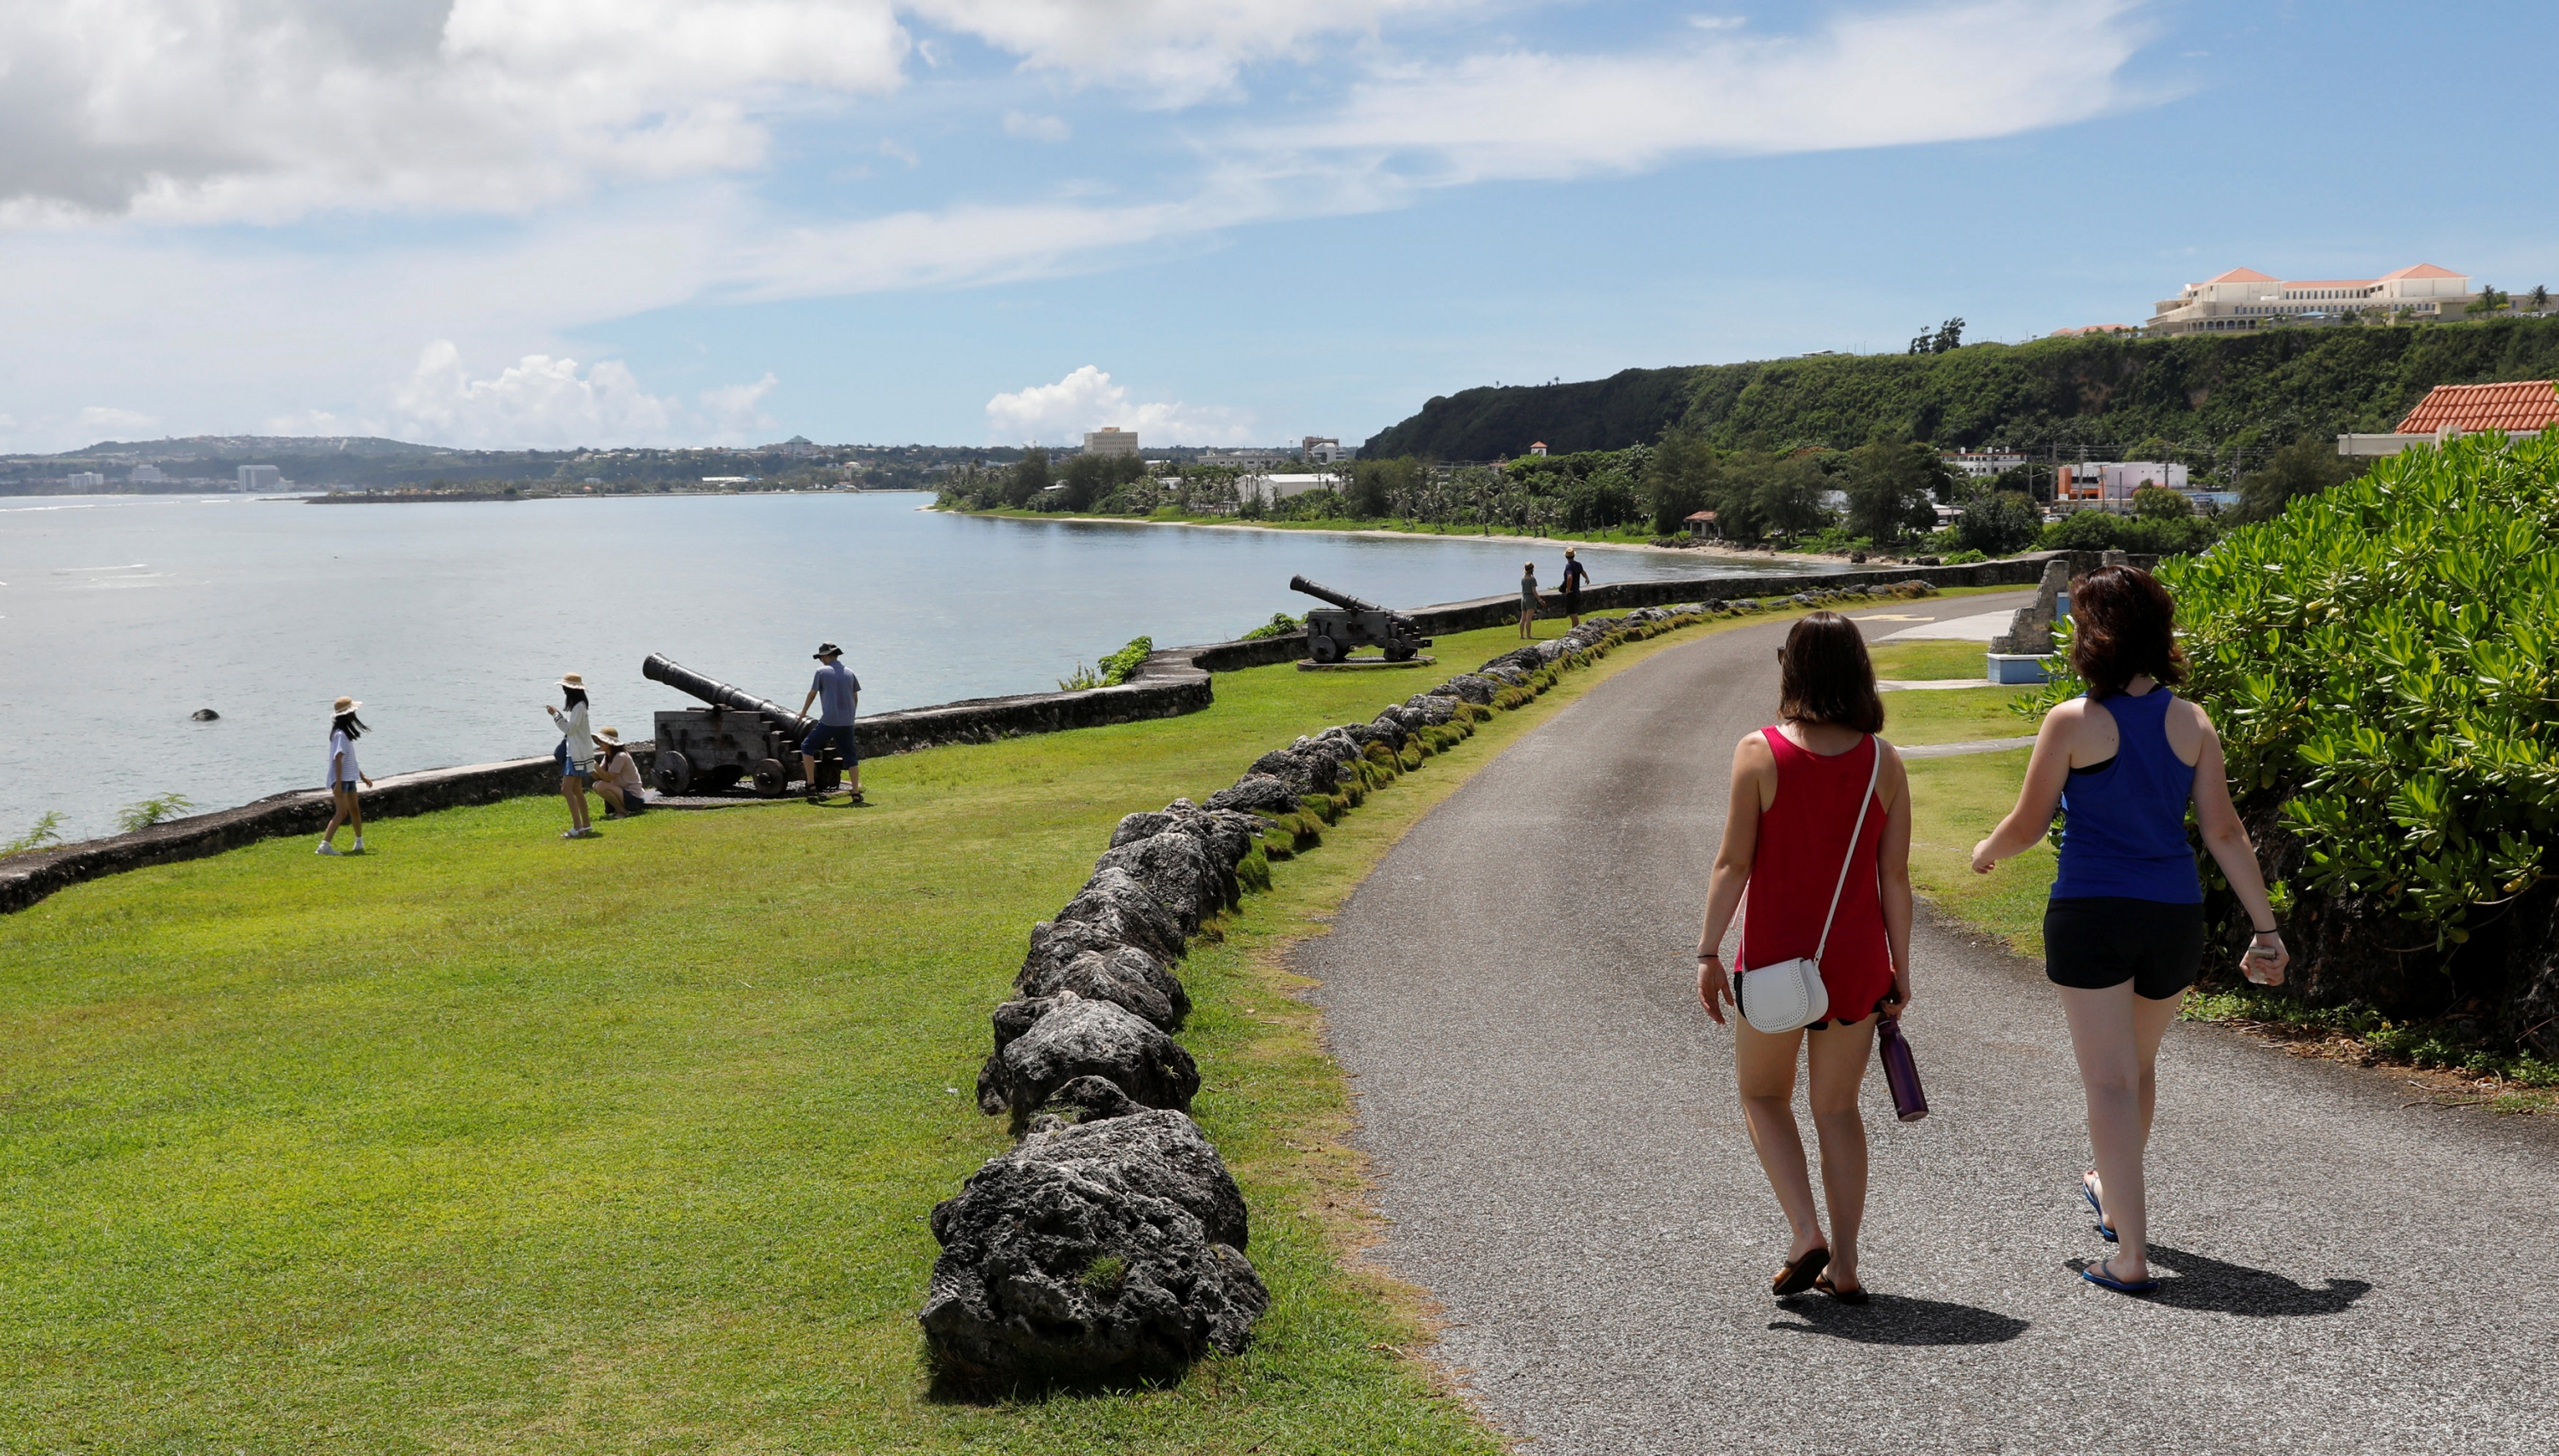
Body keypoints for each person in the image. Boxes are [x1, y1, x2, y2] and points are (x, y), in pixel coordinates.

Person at [1970, 566, 2289, 1296]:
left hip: (2092, 912)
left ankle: (2131, 1256)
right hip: (2173, 916)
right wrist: (2265, 927)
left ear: (2094, 635)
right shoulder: (2193, 721)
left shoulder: (2072, 720)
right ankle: (2112, 1199)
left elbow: (2028, 822)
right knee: (2135, 1069)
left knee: (2108, 1081)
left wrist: (1987, 851)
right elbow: (2226, 831)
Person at [1694, 612, 1913, 1303]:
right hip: (1853, 962)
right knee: (1838, 1109)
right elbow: (1895, 880)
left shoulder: (1757, 753)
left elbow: (1733, 864)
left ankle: (1803, 1231)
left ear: (1791, 667)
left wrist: (1706, 950)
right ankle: (1844, 1265)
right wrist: (1899, 971)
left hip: (1773, 962)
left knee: (1763, 1095)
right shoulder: (1884, 761)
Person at [798, 641, 865, 805]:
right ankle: (855, 793)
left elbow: (812, 694)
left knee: (807, 747)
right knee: (851, 757)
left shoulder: (821, 672)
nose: (821, 660)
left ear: (827, 656)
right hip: (847, 722)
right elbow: (855, 696)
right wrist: (851, 715)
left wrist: (803, 713)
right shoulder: (850, 672)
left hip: (829, 721)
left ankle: (811, 784)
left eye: (821, 657)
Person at [317, 696, 374, 856]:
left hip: (349, 778)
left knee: (354, 810)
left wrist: (362, 776)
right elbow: (338, 759)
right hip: (342, 780)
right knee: (342, 813)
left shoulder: (343, 734)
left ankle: (359, 842)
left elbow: (350, 760)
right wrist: (339, 784)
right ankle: (324, 846)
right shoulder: (340, 735)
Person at [546, 672, 597, 838]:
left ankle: (577, 827)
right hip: (580, 752)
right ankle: (586, 824)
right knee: (576, 789)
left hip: (576, 754)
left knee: (566, 789)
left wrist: (556, 715)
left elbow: (570, 729)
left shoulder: (579, 707)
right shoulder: (581, 706)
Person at [590, 727, 645, 819]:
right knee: (596, 784)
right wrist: (589, 766)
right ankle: (619, 810)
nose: (599, 743)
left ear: (609, 743)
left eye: (602, 741)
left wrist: (595, 765)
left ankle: (622, 811)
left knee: (600, 785)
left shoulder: (621, 756)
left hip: (634, 798)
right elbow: (598, 777)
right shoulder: (608, 756)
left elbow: (608, 777)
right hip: (623, 795)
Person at [1559, 547, 1591, 626]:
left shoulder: (1569, 566)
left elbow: (1570, 577)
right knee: (1574, 612)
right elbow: (1582, 572)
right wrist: (1587, 578)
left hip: (1572, 592)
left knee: (1572, 613)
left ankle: (1575, 630)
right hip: (1577, 591)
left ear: (1566, 556)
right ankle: (1576, 629)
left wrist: (1568, 589)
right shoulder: (1578, 564)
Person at [1518, 562, 1540, 639]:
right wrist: (1540, 600)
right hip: (1530, 598)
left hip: (1523, 598)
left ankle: (1521, 635)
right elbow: (1534, 591)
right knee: (1528, 619)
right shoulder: (1532, 579)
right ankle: (1528, 635)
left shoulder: (1523, 578)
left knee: (1523, 618)